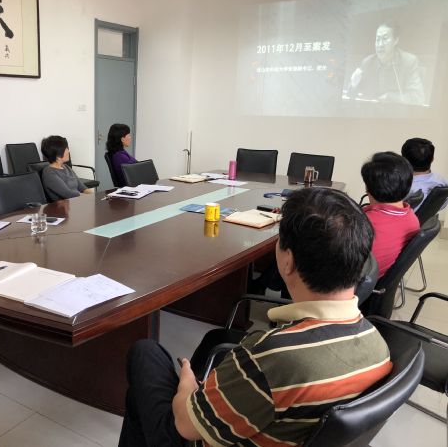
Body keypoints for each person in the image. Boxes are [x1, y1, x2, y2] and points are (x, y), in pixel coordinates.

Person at [118, 187, 392, 447]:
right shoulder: (379, 345)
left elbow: (185, 426)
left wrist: (188, 386)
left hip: (201, 435)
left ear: (288, 261)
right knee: (144, 397)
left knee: (146, 353)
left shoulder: (270, 356)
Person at [361, 151, 420, 278]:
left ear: (367, 188)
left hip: (350, 285)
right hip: (374, 282)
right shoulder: (411, 218)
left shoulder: (364, 225)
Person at [347, 23, 424, 105]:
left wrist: (390, 97)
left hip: (396, 111)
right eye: (378, 39)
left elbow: (418, 98)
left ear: (395, 40)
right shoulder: (368, 62)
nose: (380, 45)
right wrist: (354, 84)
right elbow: (351, 94)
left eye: (385, 39)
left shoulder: (408, 62)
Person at [401, 137, 448, 212]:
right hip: (431, 218)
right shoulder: (442, 181)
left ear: (403, 160)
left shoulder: (403, 189)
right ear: (432, 159)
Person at [40, 135, 93, 201]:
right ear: (58, 155)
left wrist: (95, 195)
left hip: (77, 201)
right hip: (64, 206)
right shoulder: (49, 173)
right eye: (66, 149)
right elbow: (69, 194)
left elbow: (82, 187)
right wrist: (89, 197)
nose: (68, 151)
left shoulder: (66, 167)